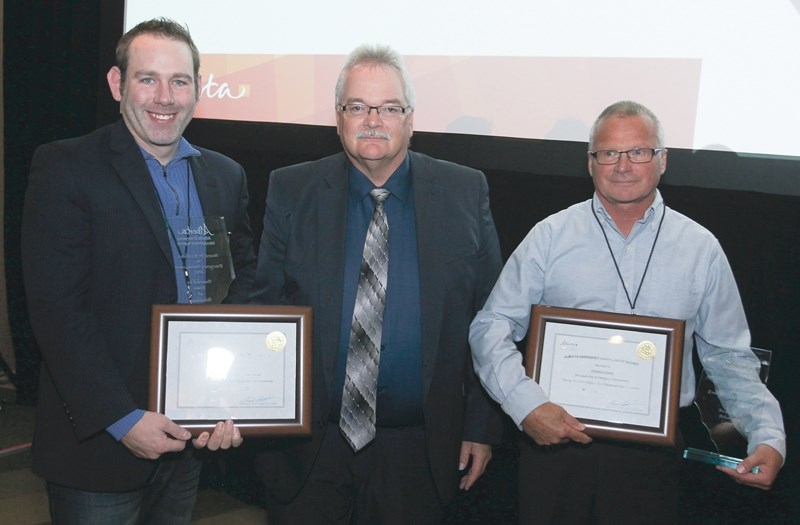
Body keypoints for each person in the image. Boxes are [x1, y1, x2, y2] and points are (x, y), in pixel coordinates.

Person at [469, 100, 786, 524]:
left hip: (652, 458)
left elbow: (729, 357)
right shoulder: (550, 236)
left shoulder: (700, 247)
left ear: (662, 160)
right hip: (555, 444)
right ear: (590, 162)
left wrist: (768, 435)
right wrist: (526, 405)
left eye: (639, 151)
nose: (622, 165)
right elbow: (491, 326)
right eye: (608, 153)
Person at [250, 44, 504, 524]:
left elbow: (489, 317)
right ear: (339, 117)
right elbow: (265, 305)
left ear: (410, 118)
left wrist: (482, 426)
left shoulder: (464, 192)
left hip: (419, 450)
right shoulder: (292, 189)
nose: (373, 120)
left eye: (389, 107)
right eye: (357, 107)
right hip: (309, 447)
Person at [21, 18, 257, 523]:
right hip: (101, 446)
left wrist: (237, 400)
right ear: (117, 84)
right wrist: (121, 419)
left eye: (180, 81)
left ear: (199, 88)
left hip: (190, 441)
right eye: (148, 79)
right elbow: (56, 309)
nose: (165, 97)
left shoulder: (225, 176)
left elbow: (240, 291)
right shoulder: (66, 167)